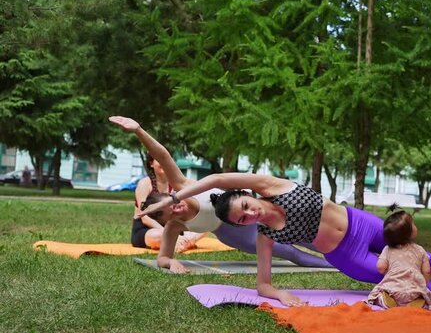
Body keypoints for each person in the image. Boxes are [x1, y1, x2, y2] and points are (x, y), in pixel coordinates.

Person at [138, 166, 431, 307]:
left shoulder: (271, 186)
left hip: (361, 224)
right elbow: (263, 285)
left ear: (250, 194)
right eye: (242, 217)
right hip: (347, 256)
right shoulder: (264, 232)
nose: (250, 213)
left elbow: (215, 180)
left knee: (414, 252)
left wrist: (173, 198)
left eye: (246, 205)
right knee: (403, 275)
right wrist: (286, 297)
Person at [109, 116, 333, 272]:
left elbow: (164, 156)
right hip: (231, 232)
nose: (178, 209)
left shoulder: (182, 185)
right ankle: (334, 267)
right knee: (289, 252)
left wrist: (138, 131)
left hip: (245, 209)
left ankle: (344, 253)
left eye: (173, 204)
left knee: (307, 235)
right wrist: (171, 263)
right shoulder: (174, 227)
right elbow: (163, 258)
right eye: (173, 214)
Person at [131, 151, 207, 252]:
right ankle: (181, 242)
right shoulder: (144, 184)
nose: (163, 163)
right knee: (157, 236)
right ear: (151, 163)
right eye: (159, 160)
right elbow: (144, 217)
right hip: (147, 229)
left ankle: (181, 242)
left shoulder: (176, 183)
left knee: (206, 226)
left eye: (165, 160)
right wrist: (166, 233)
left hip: (172, 227)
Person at [367, 206, 431, 310]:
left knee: (379, 293)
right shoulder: (420, 250)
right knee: (423, 296)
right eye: (413, 224)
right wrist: (424, 285)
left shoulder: (388, 250)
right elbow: (427, 271)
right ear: (410, 233)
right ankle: (418, 302)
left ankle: (386, 301)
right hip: (414, 290)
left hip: (392, 289)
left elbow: (380, 267)